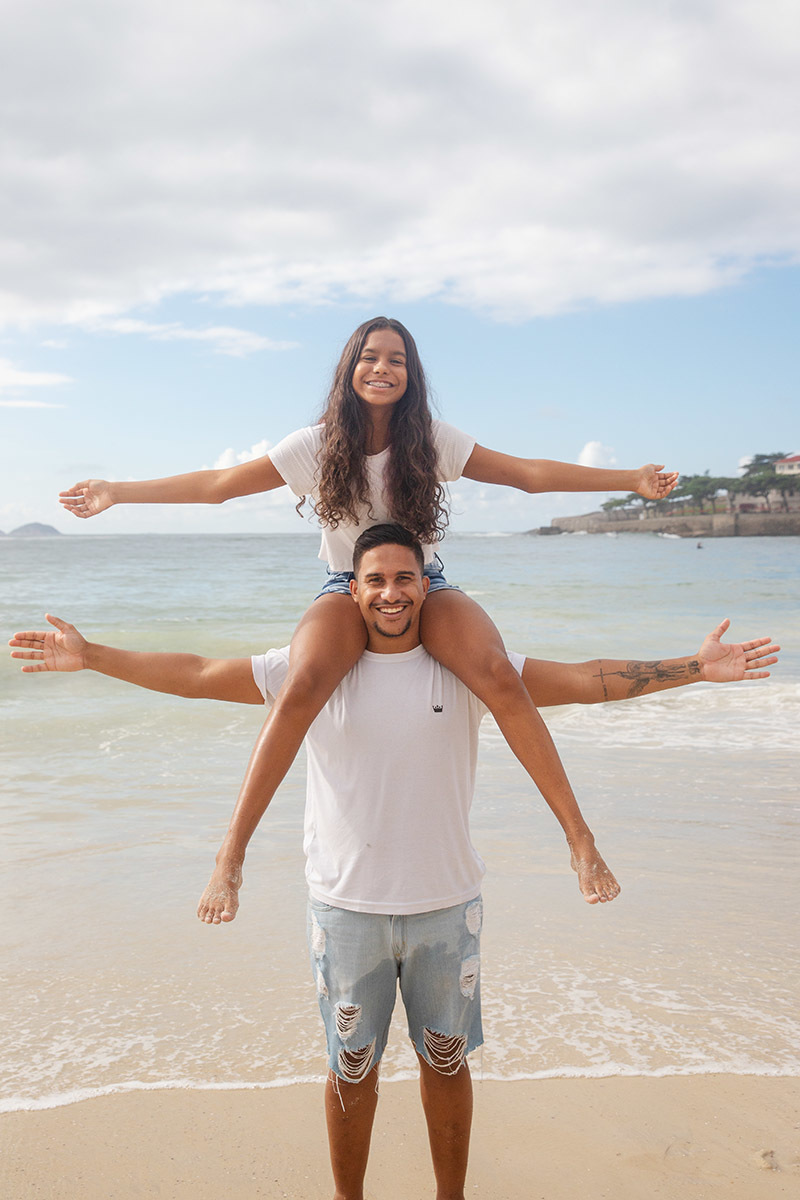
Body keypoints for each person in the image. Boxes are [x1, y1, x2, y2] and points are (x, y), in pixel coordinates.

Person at [10, 525, 778, 1200]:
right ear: (350, 590)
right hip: (346, 910)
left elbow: (585, 680)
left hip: (447, 906)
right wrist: (93, 656)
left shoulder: (465, 669)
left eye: (405, 578)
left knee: (447, 1063)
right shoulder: (311, 672)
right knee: (351, 1069)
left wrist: (694, 667)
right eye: (374, 579)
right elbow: (197, 674)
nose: (390, 593)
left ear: (426, 586)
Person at [57, 317, 679, 891]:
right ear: (350, 368)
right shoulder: (314, 446)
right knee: (301, 686)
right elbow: (218, 487)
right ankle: (230, 855)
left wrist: (629, 480)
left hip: (424, 581)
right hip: (343, 585)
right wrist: (117, 491)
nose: (382, 368)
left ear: (411, 376)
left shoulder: (432, 441)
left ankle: (579, 839)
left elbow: (527, 476)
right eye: (370, 357)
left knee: (497, 674)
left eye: (396, 360)